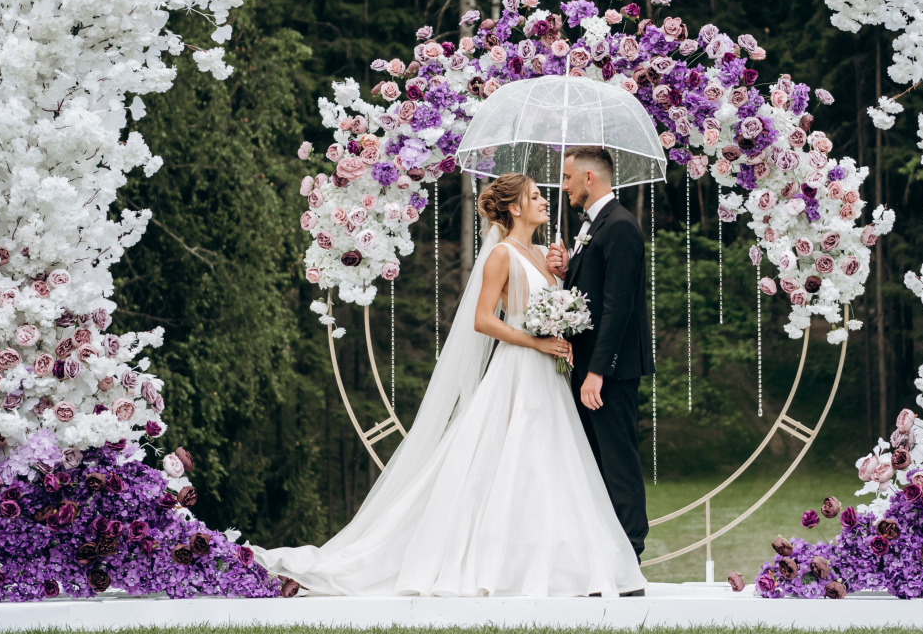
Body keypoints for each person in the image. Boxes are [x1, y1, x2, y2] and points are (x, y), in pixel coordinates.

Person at [258, 173, 646, 597]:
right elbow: (484, 320)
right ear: (515, 208)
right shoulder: (501, 254)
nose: (545, 201)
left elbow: (556, 303)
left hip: (550, 374)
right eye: (535, 196)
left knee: (550, 461)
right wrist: (536, 341)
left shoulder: (542, 253)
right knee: (513, 455)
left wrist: (562, 274)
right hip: (519, 367)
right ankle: (492, 561)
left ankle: (552, 561)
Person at [546, 146, 652, 563]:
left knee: (618, 459)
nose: (564, 186)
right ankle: (604, 554)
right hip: (592, 367)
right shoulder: (595, 225)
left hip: (611, 370)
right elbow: (593, 292)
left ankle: (630, 554)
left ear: (590, 178)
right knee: (594, 460)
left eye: (568, 178)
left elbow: (619, 306)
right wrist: (566, 269)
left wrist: (597, 372)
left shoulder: (620, 226)